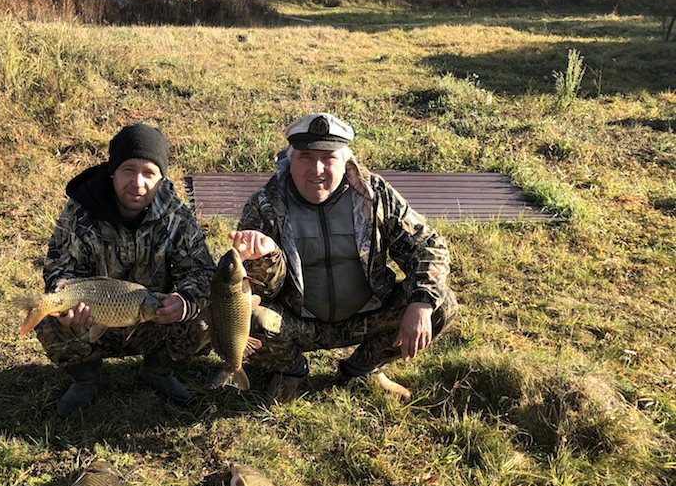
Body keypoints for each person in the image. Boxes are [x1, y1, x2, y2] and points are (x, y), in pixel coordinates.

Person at [229, 112, 458, 402]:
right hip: (299, 323)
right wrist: (265, 258)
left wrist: (421, 303)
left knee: (439, 303)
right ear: (290, 159)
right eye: (306, 157)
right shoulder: (264, 206)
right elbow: (254, 289)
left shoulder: (374, 195)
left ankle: (363, 368)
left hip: (368, 315)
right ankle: (292, 369)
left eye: (329, 158)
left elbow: (427, 246)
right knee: (243, 318)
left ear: (345, 160)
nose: (317, 169)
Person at [34, 123, 215, 418]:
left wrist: (183, 303)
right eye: (128, 170)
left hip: (153, 317)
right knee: (49, 316)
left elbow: (201, 272)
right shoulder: (79, 212)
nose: (138, 183)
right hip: (93, 318)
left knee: (208, 312)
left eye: (149, 173)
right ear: (112, 171)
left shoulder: (176, 215)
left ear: (161, 177)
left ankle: (158, 370)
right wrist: (67, 304)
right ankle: (86, 378)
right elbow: (59, 269)